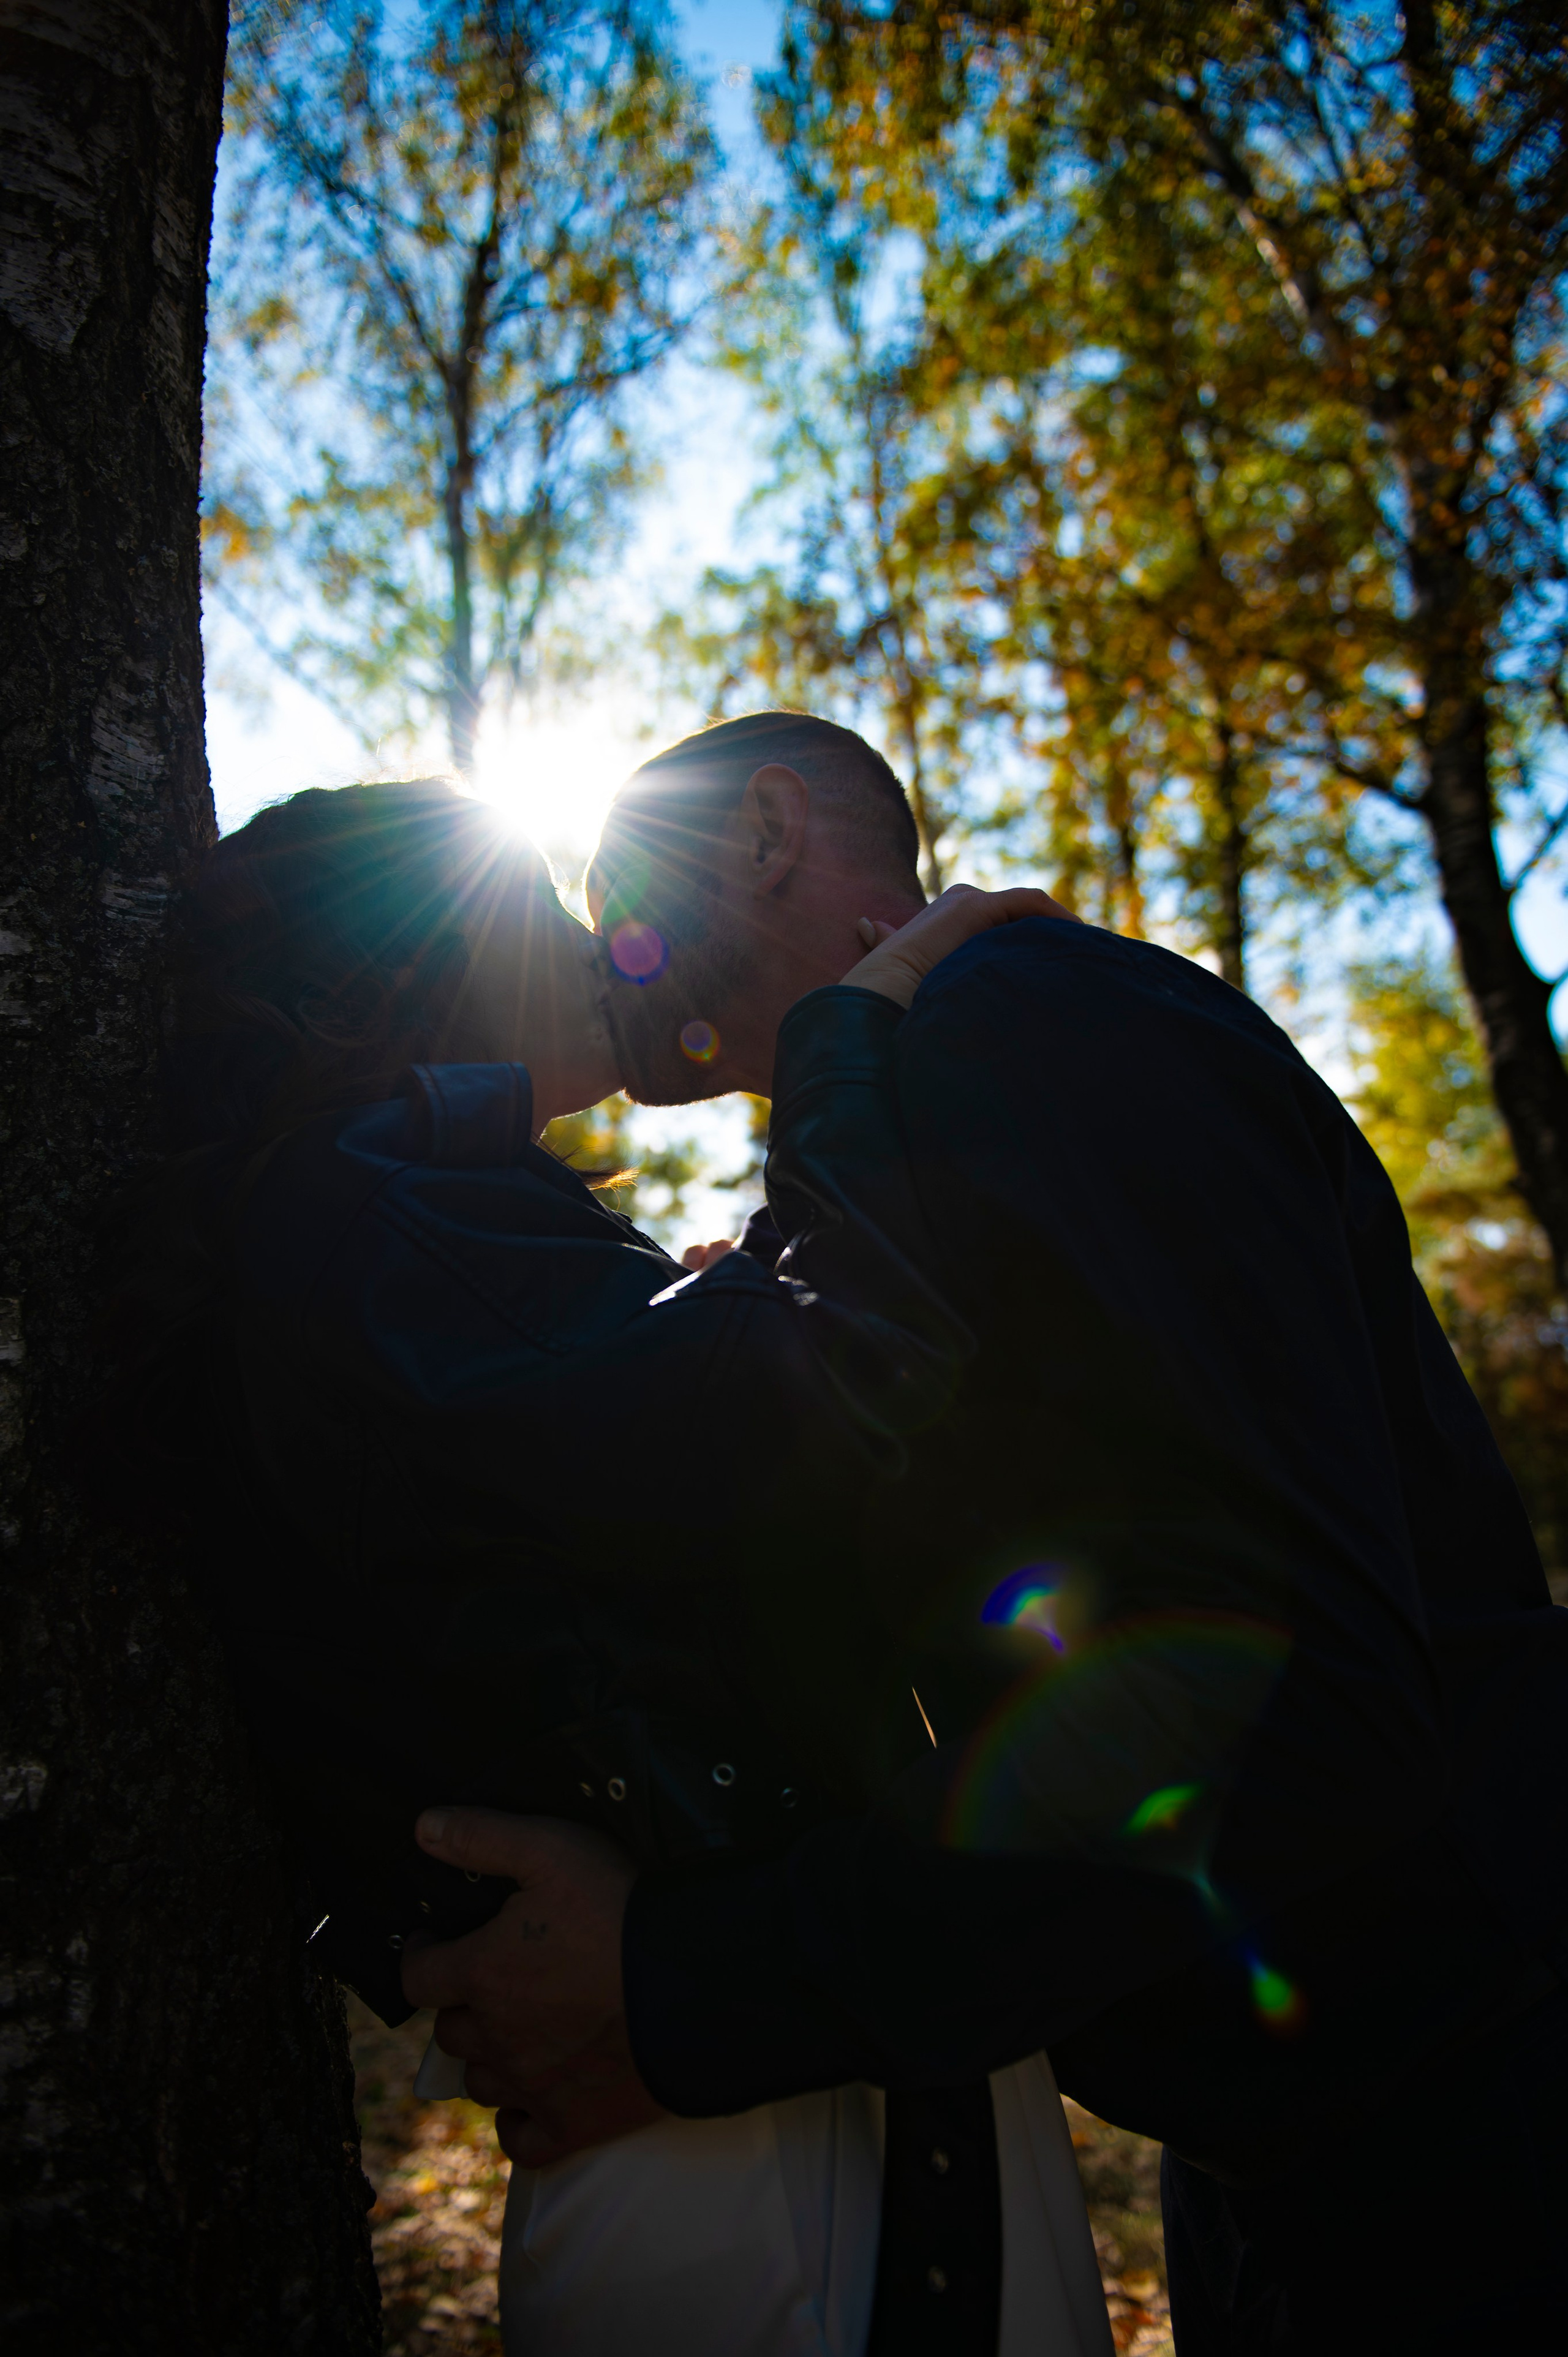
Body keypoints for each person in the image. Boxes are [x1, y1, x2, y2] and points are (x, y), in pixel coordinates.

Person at [408, 711, 1568, 2356]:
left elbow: (1297, 1714)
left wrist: (694, 1986)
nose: (617, 952)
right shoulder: (904, 1118)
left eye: (627, 899)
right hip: (1313, 2138)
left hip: (1463, 2147)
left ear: (765, 829)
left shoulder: (1017, 1020)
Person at [131, 775, 1110, 2357]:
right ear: (376, 973)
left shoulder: (444, 1234)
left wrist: (725, 1308)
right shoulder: (351, 1211)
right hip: (740, 2147)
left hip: (792, 2062)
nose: (597, 932)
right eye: (527, 893)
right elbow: (822, 1406)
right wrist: (852, 1037)